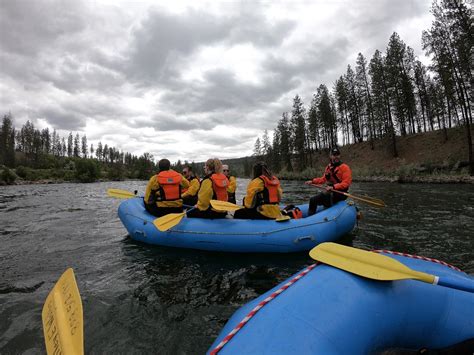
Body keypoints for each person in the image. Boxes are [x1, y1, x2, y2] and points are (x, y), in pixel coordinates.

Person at [304, 146, 352, 216]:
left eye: (337, 155)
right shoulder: (328, 168)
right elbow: (323, 179)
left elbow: (346, 183)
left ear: (340, 155)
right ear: (331, 156)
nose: (336, 157)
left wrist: (333, 187)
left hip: (341, 193)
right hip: (330, 191)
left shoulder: (345, 167)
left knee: (325, 197)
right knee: (312, 200)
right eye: (334, 155)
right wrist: (312, 181)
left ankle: (327, 212)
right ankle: (309, 219)